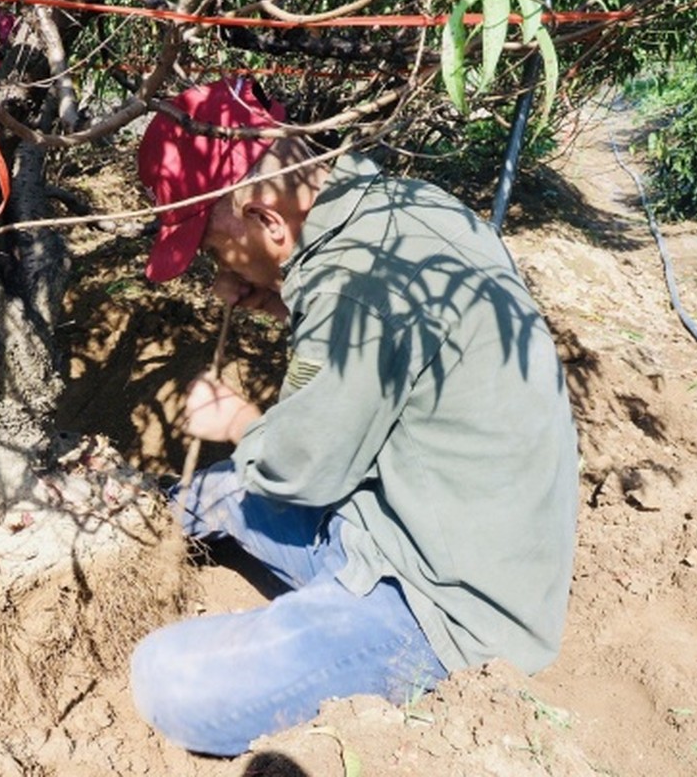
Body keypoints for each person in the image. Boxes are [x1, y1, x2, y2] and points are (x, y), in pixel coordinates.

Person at [127, 79, 579, 756]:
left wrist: (238, 422)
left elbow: (300, 468)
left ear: (266, 221)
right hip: (432, 522)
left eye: (213, 248)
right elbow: (375, 369)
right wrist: (286, 305)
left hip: (446, 603)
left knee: (171, 682)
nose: (215, 268)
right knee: (215, 490)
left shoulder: (353, 293)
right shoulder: (402, 207)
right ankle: (131, 530)